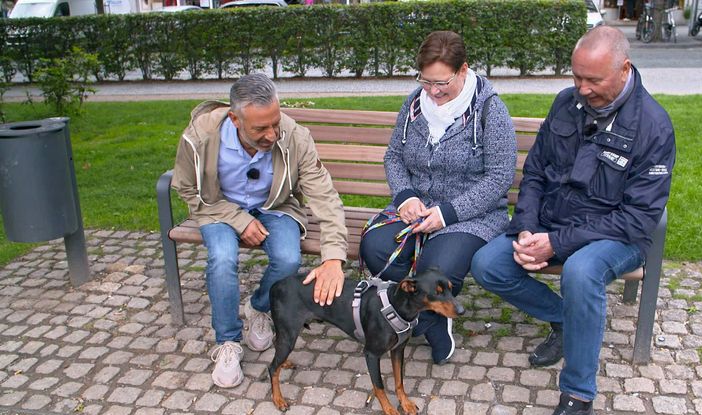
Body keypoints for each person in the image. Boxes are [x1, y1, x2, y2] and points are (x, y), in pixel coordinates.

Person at [471, 26, 675, 415]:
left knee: (581, 272)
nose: (581, 88)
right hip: (553, 223)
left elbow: (638, 218)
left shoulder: (653, 126)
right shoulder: (566, 103)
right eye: (576, 76)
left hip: (616, 237)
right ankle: (566, 320)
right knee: (487, 264)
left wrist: (557, 244)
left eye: (593, 80)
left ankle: (578, 400)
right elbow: (535, 173)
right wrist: (528, 229)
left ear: (624, 69)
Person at [172, 73, 348, 388]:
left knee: (288, 258)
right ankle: (227, 341)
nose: (271, 134)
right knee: (223, 258)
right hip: (218, 209)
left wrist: (333, 257)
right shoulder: (199, 137)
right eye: (260, 128)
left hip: (274, 207)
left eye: (275, 123)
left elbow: (324, 196)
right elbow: (187, 189)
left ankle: (258, 307)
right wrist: (238, 219)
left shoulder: (294, 136)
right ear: (234, 119)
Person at [359, 31, 517, 365]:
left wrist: (447, 213)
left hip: (472, 215)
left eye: (441, 82)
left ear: (463, 70)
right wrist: (406, 197)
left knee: (438, 266)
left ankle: (432, 322)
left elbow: (500, 177)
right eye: (425, 80)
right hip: (415, 209)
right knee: (374, 247)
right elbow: (394, 157)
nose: (431, 91)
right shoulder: (414, 104)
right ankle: (417, 315)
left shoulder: (490, 109)